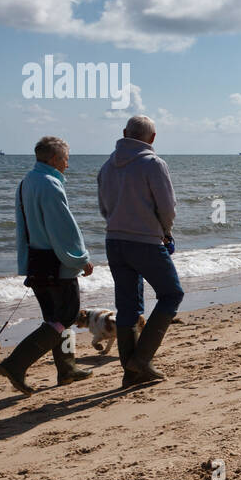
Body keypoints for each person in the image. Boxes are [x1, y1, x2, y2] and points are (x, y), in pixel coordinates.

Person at [0, 136, 95, 395]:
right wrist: (81, 259)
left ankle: (67, 369)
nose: (67, 165)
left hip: (36, 262)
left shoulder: (27, 181)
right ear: (53, 159)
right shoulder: (50, 185)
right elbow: (63, 230)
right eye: (65, 159)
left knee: (55, 319)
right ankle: (16, 364)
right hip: (56, 264)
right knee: (66, 317)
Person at [97, 115, 183, 388]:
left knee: (127, 307)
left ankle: (130, 373)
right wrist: (165, 232)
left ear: (124, 133)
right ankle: (142, 359)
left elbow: (103, 207)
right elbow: (167, 207)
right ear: (153, 139)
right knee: (171, 294)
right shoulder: (154, 164)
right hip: (146, 241)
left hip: (114, 241)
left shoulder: (106, 166)